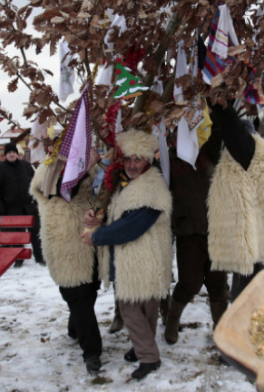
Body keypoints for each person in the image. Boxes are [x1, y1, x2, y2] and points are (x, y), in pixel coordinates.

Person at [80, 130, 172, 380]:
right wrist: (95, 215)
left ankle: (149, 357)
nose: (132, 165)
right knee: (145, 308)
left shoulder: (151, 188)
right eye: (128, 159)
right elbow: (117, 213)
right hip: (138, 259)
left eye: (137, 160)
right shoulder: (125, 183)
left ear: (147, 161)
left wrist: (97, 237)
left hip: (143, 259)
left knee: (132, 308)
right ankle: (142, 346)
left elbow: (130, 226)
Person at [31, 147, 104, 373]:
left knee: (89, 291)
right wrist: (84, 168)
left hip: (90, 241)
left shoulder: (92, 168)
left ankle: (75, 328)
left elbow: (101, 195)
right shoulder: (49, 168)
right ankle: (92, 352)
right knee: (76, 294)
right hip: (65, 246)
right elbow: (62, 190)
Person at [206, 102, 264, 302]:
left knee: (246, 300)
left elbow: (231, 127)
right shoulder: (260, 159)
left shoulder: (249, 153)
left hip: (251, 241)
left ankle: (244, 331)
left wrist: (218, 99)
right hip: (258, 239)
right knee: (247, 291)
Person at [162, 126, 229, 345]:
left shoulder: (209, 153)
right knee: (189, 283)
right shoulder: (168, 161)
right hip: (188, 232)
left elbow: (219, 132)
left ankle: (221, 329)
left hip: (216, 233)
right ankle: (172, 321)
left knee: (218, 285)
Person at [0, 142, 41, 266]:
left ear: (17, 154)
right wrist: (1, 209)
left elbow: (35, 184)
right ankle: (18, 258)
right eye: (9, 153)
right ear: (5, 155)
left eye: (14, 152)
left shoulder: (26, 166)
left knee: (36, 233)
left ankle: (39, 257)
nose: (12, 154)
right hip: (12, 208)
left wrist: (37, 200)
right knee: (17, 236)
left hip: (29, 206)